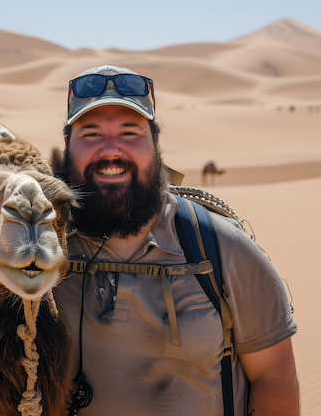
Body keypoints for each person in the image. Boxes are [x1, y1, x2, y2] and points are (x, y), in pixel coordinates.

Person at [52, 65, 299, 416]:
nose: (111, 150)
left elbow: (274, 376)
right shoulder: (41, 251)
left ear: (155, 143)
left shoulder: (223, 249)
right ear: (66, 146)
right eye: (90, 134)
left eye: (129, 132)